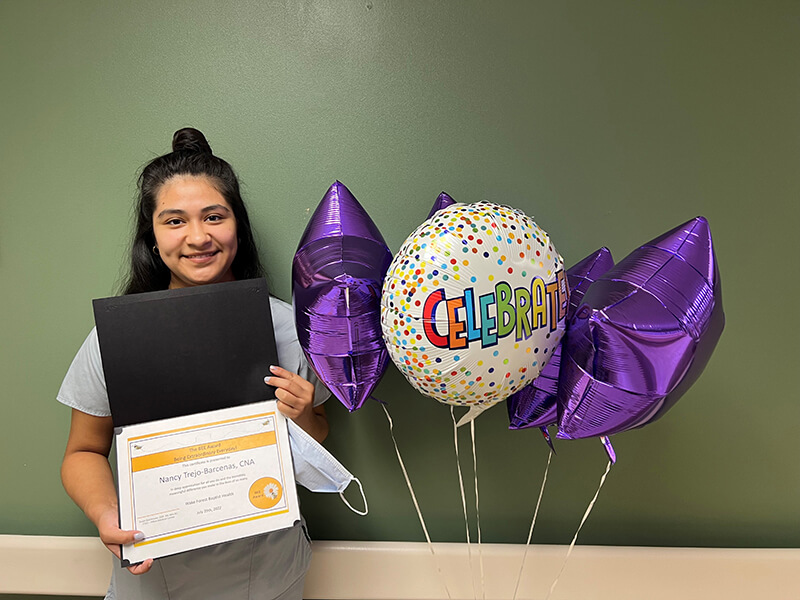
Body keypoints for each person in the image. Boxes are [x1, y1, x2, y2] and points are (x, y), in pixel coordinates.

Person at [58, 128, 329, 600]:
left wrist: (304, 410)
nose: (198, 237)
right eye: (175, 221)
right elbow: (82, 452)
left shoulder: (289, 328)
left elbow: (319, 431)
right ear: (153, 234)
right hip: (152, 572)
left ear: (237, 226)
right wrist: (107, 515)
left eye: (214, 217)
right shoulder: (118, 337)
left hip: (268, 571)